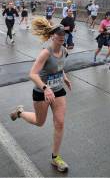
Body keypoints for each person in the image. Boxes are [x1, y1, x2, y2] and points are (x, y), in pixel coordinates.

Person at [9, 17, 71, 172]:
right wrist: (45, 88)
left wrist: (64, 77)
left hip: (58, 91)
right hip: (42, 92)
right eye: (59, 35)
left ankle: (55, 158)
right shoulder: (45, 53)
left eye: (64, 34)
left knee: (60, 123)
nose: (62, 37)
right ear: (52, 36)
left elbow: (59, 66)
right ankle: (20, 112)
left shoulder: (64, 50)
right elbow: (32, 74)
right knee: (39, 122)